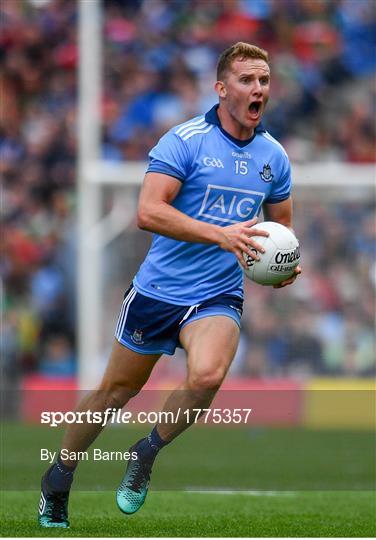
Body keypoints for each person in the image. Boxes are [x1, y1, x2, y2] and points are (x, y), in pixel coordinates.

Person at [38, 41, 301, 528]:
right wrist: (220, 234)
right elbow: (148, 212)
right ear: (222, 89)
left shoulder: (274, 157)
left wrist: (283, 266)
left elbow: (281, 228)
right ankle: (58, 477)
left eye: (264, 80)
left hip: (218, 293)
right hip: (158, 291)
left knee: (205, 377)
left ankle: (146, 452)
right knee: (115, 394)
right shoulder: (185, 141)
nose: (258, 88)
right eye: (246, 80)